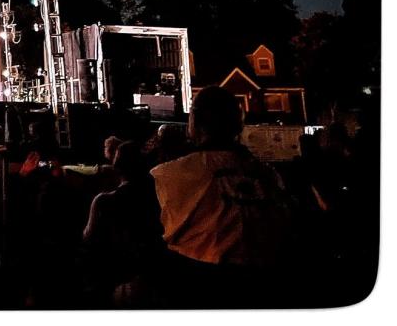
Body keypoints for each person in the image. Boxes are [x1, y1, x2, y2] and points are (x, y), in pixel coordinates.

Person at [149, 86, 294, 306]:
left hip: (199, 282)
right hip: (269, 284)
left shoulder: (168, 175)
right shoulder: (269, 176)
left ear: (195, 122)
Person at [80, 140, 164, 304]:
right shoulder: (161, 197)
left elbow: (88, 238)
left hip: (117, 278)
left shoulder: (103, 202)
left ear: (116, 166)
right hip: (156, 275)